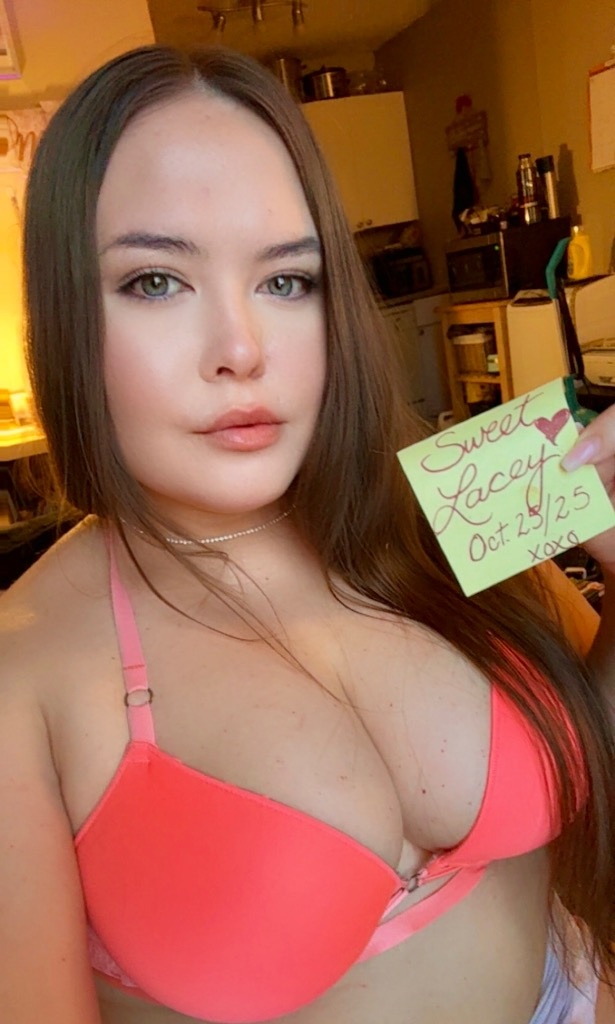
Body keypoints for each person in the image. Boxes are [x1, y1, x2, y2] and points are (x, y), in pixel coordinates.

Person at [0, 43, 613, 1024]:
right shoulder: (21, 670)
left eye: (287, 280)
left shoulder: (454, 491)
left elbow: (592, 750)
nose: (241, 349)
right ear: (67, 311)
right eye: (156, 281)